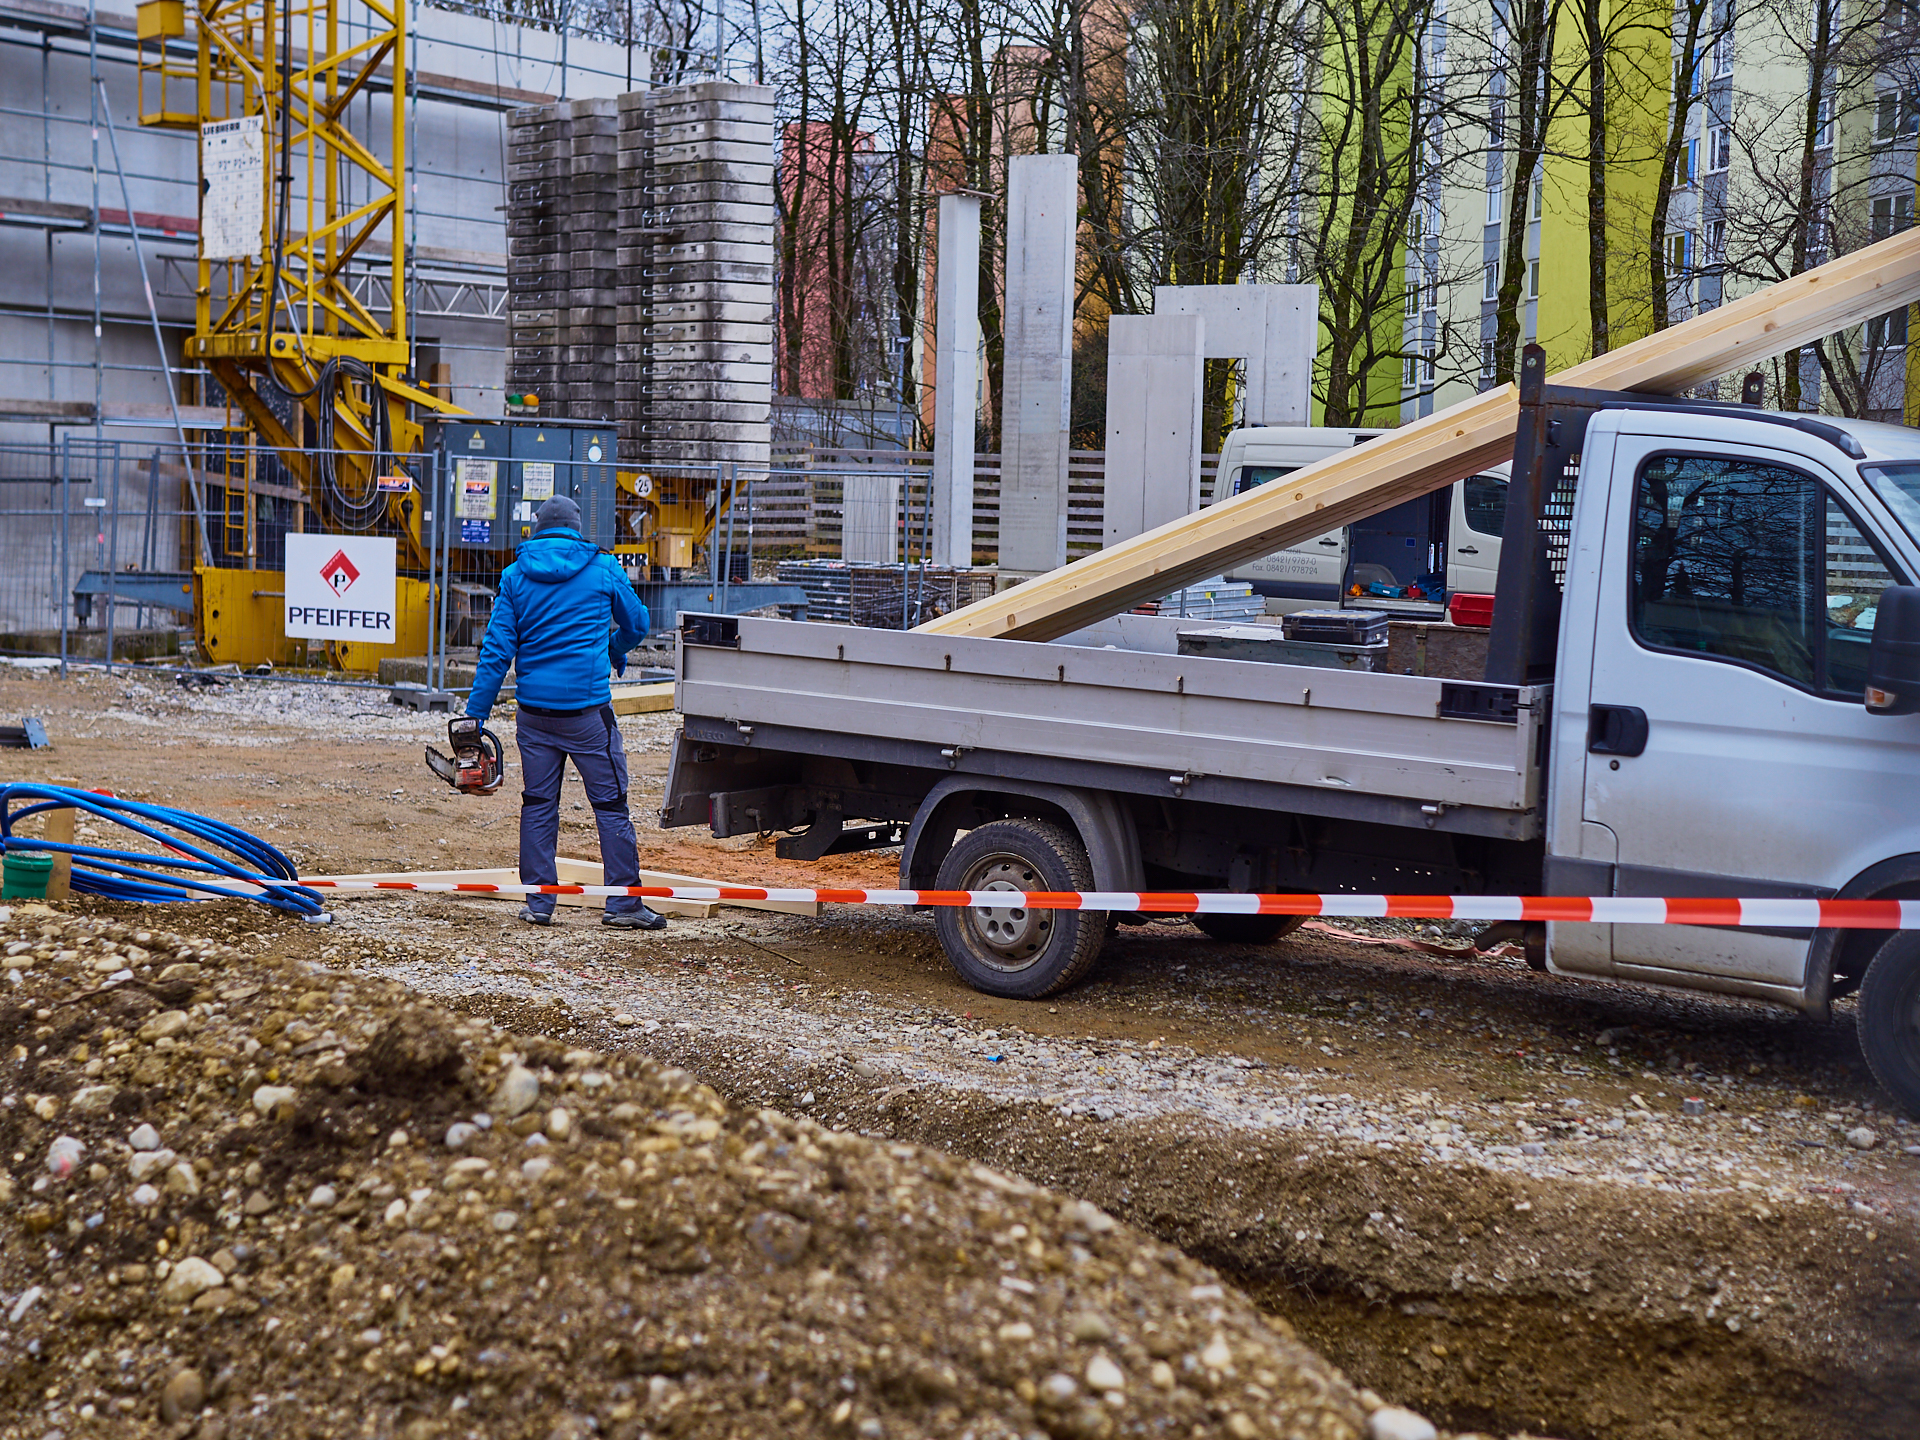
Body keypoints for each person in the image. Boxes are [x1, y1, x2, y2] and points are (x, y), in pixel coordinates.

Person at [462, 494, 665, 930]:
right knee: (610, 806)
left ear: (537, 528)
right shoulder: (603, 567)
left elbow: (497, 652)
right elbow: (639, 623)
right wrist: (614, 648)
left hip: (534, 717)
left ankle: (540, 902)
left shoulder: (515, 577)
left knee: (538, 804)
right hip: (589, 714)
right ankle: (624, 904)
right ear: (576, 528)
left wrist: (474, 718)